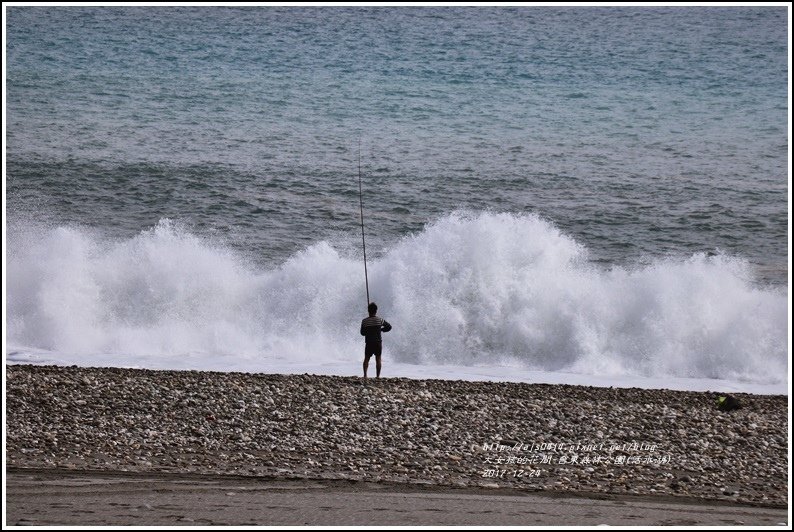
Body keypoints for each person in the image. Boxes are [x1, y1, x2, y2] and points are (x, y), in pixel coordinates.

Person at [360, 302, 392, 379]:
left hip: (369, 342)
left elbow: (362, 333)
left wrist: (368, 331)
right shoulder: (379, 320)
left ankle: (365, 375)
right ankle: (377, 376)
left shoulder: (364, 321)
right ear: (376, 311)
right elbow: (389, 327)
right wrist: (381, 329)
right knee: (378, 359)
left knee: (366, 358)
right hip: (378, 342)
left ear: (368, 311)